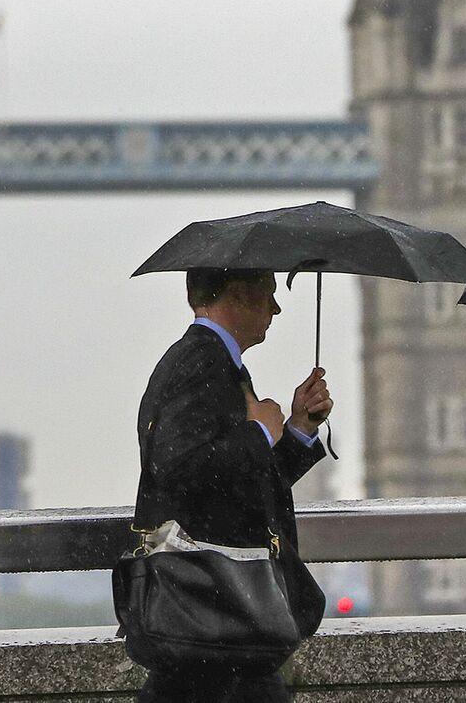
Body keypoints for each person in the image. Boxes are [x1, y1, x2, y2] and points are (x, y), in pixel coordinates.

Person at [129, 268, 332, 703]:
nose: (276, 309)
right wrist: (257, 432)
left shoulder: (214, 363)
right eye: (269, 295)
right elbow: (177, 467)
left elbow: (242, 483)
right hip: (216, 603)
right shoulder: (200, 363)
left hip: (219, 607)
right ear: (239, 295)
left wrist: (297, 429)